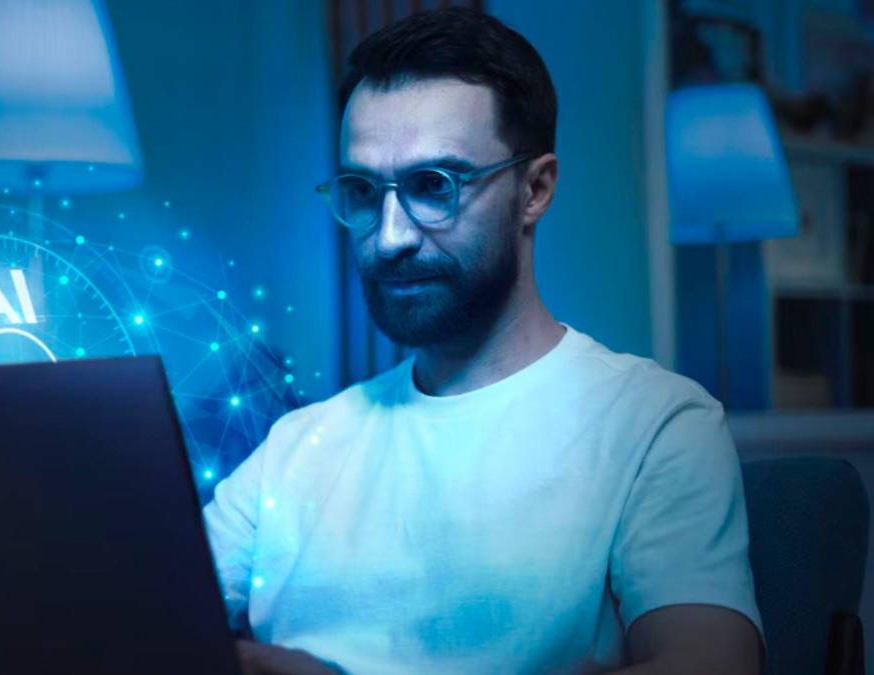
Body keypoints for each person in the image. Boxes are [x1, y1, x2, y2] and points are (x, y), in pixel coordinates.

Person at [204, 8, 763, 675]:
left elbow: (712, 664)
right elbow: (138, 617)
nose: (390, 237)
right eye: (363, 190)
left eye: (433, 186)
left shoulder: (654, 424)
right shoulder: (297, 447)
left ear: (535, 190)